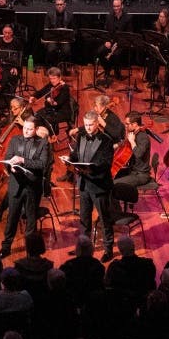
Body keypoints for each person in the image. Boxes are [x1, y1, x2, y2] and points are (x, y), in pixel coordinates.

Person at [0, 113, 50, 258]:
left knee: (31, 222)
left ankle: (31, 252)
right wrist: (10, 167)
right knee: (12, 218)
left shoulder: (43, 143)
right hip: (16, 185)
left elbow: (42, 164)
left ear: (36, 129)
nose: (26, 131)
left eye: (29, 129)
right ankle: (6, 247)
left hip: (32, 187)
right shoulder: (15, 140)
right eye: (25, 128)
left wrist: (22, 160)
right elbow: (8, 157)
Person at [69, 111, 116, 261]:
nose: (88, 128)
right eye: (86, 125)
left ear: (97, 124)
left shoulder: (106, 140)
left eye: (91, 125)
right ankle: (83, 247)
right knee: (84, 219)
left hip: (99, 185)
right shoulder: (81, 136)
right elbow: (76, 154)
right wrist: (69, 159)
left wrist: (90, 169)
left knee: (104, 219)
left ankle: (108, 250)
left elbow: (106, 163)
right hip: (83, 184)